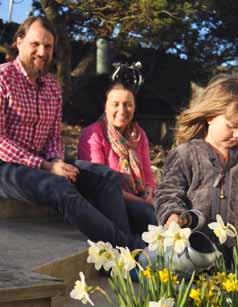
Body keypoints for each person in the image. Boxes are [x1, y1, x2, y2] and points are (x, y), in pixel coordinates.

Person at [0, 16, 143, 250]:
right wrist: (46, 166)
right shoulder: (3, 78)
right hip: (7, 166)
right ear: (19, 42)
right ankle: (128, 248)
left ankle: (122, 253)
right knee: (59, 187)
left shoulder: (52, 86)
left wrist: (56, 160)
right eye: (35, 44)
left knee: (106, 177)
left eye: (48, 46)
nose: (42, 51)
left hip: (44, 162)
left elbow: (54, 135)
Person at [155, 74, 238, 266]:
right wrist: (172, 216)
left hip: (232, 253)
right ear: (210, 116)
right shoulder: (186, 154)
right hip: (193, 249)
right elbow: (168, 192)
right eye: (232, 126)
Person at [78, 81, 157, 235]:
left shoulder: (138, 134)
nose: (122, 110)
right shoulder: (93, 134)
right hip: (107, 200)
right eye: (115, 104)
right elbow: (100, 184)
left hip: (138, 197)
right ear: (106, 107)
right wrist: (143, 202)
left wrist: (148, 192)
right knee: (149, 216)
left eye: (128, 104)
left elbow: (148, 174)